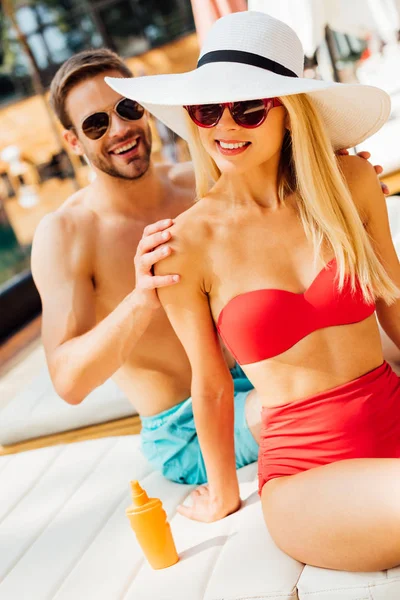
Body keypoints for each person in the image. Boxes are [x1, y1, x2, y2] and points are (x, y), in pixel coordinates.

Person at [106, 11, 400, 571]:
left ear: (291, 113)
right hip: (307, 475)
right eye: (207, 111)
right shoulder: (183, 245)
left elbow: (396, 307)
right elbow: (212, 385)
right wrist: (222, 493)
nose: (224, 126)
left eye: (247, 108)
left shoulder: (352, 185)